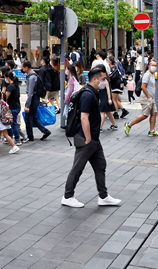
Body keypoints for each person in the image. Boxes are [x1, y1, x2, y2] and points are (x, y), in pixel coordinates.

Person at [62, 65, 121, 208]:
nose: (105, 81)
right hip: (86, 138)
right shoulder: (88, 95)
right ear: (94, 79)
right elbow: (84, 118)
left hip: (93, 139)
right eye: (103, 79)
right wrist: (88, 138)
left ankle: (104, 196)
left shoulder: (93, 92)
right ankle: (67, 196)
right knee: (78, 168)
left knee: (100, 165)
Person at [124, 61, 158, 137]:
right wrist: (148, 96)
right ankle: (129, 125)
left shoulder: (152, 74)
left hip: (151, 97)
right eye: (152, 65)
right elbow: (143, 86)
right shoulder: (147, 75)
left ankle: (152, 130)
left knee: (154, 113)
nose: (154, 67)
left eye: (155, 65)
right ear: (149, 66)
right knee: (145, 115)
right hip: (146, 97)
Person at [21, 61, 51, 141]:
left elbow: (30, 93)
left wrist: (27, 105)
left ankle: (30, 136)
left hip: (33, 99)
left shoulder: (31, 77)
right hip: (35, 99)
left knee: (28, 118)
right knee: (33, 117)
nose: (22, 69)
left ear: (26, 68)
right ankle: (45, 131)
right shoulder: (32, 75)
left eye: (22, 67)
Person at [4, 71, 24, 144]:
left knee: (12, 124)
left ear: (8, 78)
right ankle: (10, 138)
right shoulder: (16, 85)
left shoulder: (10, 86)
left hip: (12, 107)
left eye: (5, 77)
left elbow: (6, 97)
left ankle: (17, 139)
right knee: (10, 123)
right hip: (17, 106)